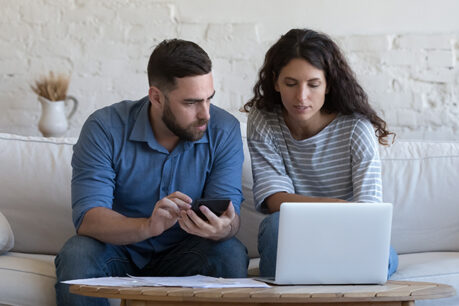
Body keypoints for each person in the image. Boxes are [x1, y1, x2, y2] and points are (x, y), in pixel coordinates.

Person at [55, 39, 249, 306]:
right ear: (156, 97)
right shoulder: (105, 127)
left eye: (209, 99)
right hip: (118, 251)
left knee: (230, 252)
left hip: (186, 251)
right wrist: (147, 226)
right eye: (191, 102)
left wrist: (223, 228)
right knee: (77, 253)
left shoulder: (224, 129)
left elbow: (231, 215)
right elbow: (88, 219)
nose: (205, 114)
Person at [243, 28, 398, 278]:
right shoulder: (264, 119)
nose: (301, 97)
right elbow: (274, 199)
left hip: (349, 232)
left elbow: (368, 212)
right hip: (294, 233)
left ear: (328, 84)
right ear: (275, 82)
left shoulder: (356, 128)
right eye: (290, 83)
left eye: (313, 84)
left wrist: (337, 218)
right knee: (275, 226)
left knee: (383, 256)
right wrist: (337, 205)